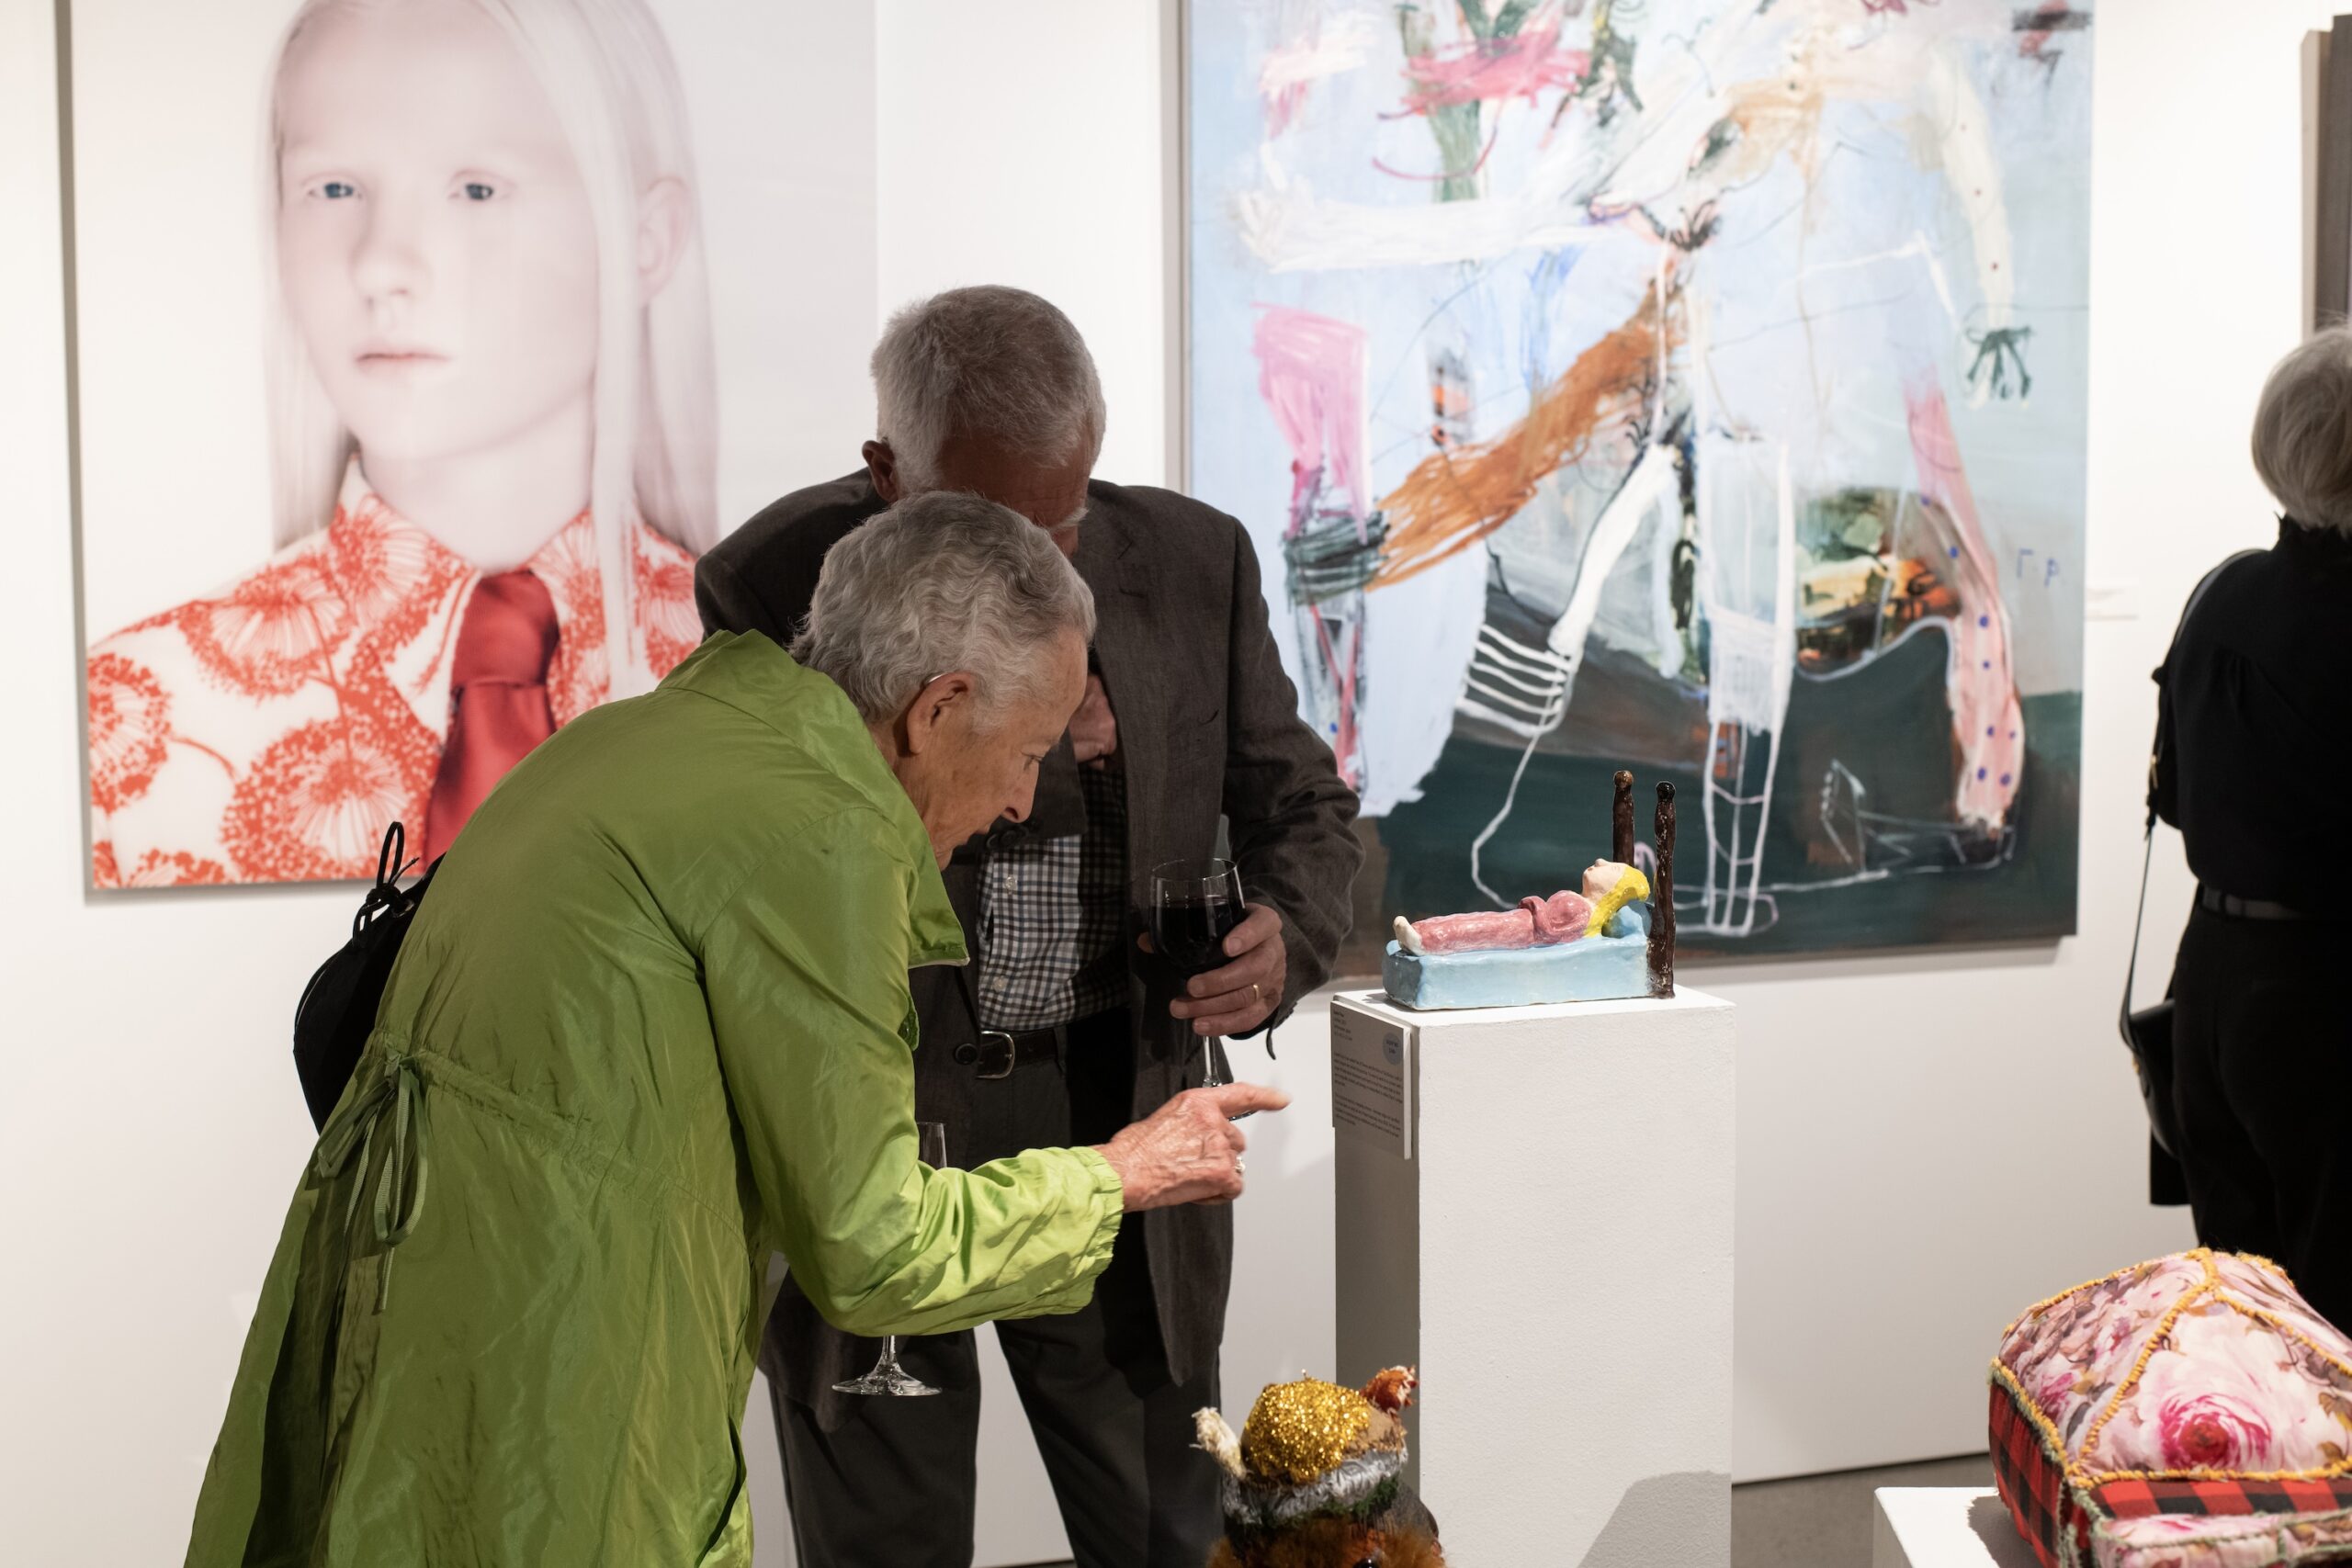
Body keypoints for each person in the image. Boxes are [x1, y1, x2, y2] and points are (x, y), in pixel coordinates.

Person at [184, 493, 1286, 1567]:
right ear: (937, 708)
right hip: (558, 1370)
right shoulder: (821, 835)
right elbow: (874, 1250)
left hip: (414, 1312)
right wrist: (1119, 1175)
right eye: (1029, 750)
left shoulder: (636, 736)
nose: (1018, 799)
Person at [696, 286, 1364, 1567]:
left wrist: (1290, 931)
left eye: (1063, 516)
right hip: (879, 1123)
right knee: (883, 1532)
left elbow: (1303, 800)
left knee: (1168, 1522)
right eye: (991, 527)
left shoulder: (1192, 557)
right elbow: (798, 839)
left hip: (1124, 1104)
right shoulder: (770, 579)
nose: (1042, 565)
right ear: (886, 472)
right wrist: (1057, 743)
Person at [85, 0, 712, 889]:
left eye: (477, 188)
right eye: (333, 188)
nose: (383, 263)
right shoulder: (124, 718)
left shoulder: (764, 685)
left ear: (648, 241)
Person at [2155, 325, 2352, 1328]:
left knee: (2243, 1305)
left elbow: (2174, 799)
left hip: (2214, 984)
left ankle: (2264, 1489)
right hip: (2323, 999)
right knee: (2334, 1313)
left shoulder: (2220, 591)